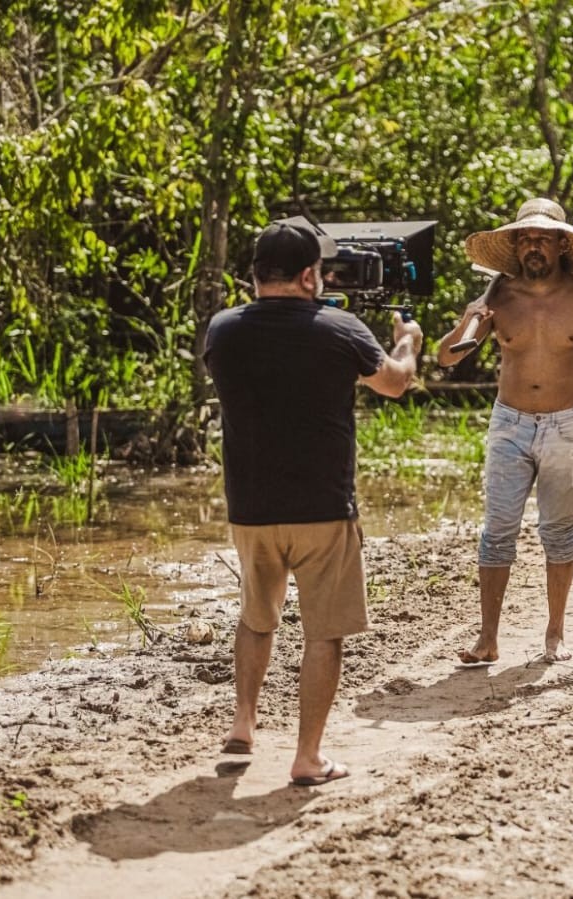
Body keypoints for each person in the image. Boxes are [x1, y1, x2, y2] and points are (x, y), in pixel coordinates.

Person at [203, 215, 422, 786]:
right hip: (322, 508)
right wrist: (406, 341)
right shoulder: (340, 329)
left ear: (253, 276)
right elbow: (396, 382)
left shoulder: (222, 331)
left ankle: (244, 723)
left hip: (251, 507)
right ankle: (308, 756)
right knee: (324, 633)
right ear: (309, 275)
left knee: (256, 619)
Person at [435, 198, 573, 665]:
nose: (533, 246)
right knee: (496, 532)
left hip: (566, 424)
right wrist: (472, 317)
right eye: (525, 238)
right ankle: (487, 639)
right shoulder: (498, 298)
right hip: (510, 423)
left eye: (543, 238)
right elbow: (446, 357)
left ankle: (555, 632)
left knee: (558, 532)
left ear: (562, 244)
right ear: (516, 245)